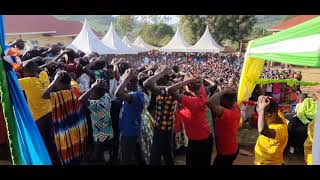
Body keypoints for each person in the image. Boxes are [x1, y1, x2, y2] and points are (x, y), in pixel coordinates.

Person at [18, 60, 60, 164]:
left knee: (43, 146)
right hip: (50, 114)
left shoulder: (28, 81)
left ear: (26, 71)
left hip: (39, 119)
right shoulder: (43, 75)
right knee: (51, 143)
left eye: (23, 71)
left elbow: (11, 83)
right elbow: (39, 69)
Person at [42, 71, 89, 165]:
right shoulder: (75, 88)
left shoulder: (63, 94)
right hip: (78, 129)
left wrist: (55, 81)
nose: (55, 86)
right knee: (77, 153)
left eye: (57, 83)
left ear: (62, 83)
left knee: (68, 155)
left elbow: (44, 95)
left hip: (68, 133)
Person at [167, 76, 213, 165]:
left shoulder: (192, 102)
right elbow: (199, 85)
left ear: (189, 86)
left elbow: (170, 90)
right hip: (205, 139)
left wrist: (188, 80)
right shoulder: (201, 95)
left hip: (197, 142)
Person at [144, 66, 176, 165]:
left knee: (154, 158)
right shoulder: (167, 87)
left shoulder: (168, 89)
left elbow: (147, 84)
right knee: (167, 155)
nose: (156, 80)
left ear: (165, 78)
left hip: (163, 130)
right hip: (164, 128)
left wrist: (161, 73)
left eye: (158, 78)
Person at [79, 79, 113, 164]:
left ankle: (98, 158)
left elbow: (81, 99)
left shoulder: (97, 104)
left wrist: (93, 87)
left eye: (94, 90)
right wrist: (96, 87)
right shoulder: (107, 96)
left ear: (97, 92)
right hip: (107, 128)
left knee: (98, 150)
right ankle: (107, 157)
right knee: (106, 147)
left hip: (99, 132)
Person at [115, 68, 144, 165]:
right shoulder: (135, 94)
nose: (123, 85)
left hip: (129, 133)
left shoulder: (135, 96)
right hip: (130, 131)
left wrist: (127, 78)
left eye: (125, 83)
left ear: (128, 83)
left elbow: (118, 93)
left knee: (126, 160)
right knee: (134, 157)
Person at [207, 89, 240, 165]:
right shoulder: (235, 107)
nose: (219, 101)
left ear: (227, 101)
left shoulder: (228, 114)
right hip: (232, 147)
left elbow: (210, 102)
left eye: (221, 99)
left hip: (226, 152)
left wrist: (224, 91)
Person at [254, 96, 288, 165]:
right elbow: (272, 106)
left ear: (270, 115)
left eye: (263, 116)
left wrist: (261, 112)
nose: (261, 118)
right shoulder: (277, 115)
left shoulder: (280, 129)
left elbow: (262, 130)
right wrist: (261, 98)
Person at [137, 72, 155, 165]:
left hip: (145, 115)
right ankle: (144, 158)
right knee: (144, 139)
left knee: (148, 138)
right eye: (145, 80)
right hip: (142, 117)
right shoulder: (139, 93)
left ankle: (148, 157)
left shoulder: (149, 90)